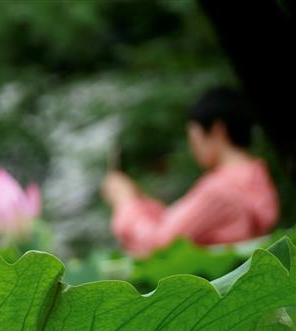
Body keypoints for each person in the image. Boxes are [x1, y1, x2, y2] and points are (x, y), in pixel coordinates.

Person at [102, 87, 278, 257]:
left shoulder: (219, 191)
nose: (193, 147)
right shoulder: (257, 178)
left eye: (194, 136)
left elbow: (159, 247)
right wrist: (138, 200)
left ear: (217, 130)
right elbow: (176, 222)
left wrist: (125, 202)